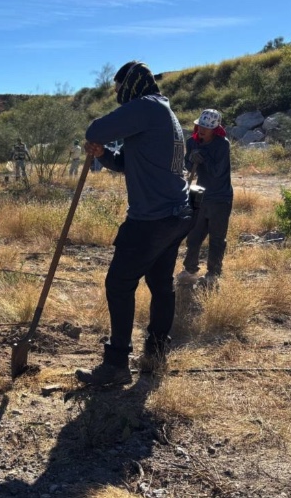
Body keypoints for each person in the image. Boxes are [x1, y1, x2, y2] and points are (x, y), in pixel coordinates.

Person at [76, 61, 195, 386]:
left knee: (119, 283)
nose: (118, 96)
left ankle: (116, 365)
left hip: (152, 218)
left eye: (119, 90)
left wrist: (96, 140)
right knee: (160, 284)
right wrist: (102, 154)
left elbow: (94, 130)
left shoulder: (146, 107)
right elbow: (124, 162)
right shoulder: (162, 113)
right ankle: (155, 354)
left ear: (131, 85)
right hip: (175, 214)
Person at [176, 109, 233, 287]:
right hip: (197, 191)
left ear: (214, 129)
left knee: (216, 237)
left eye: (207, 127)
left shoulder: (222, 145)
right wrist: (191, 158)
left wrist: (204, 158)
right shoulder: (192, 142)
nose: (202, 129)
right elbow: (186, 163)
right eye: (200, 125)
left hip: (220, 195)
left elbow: (217, 172)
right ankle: (190, 269)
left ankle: (213, 274)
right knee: (192, 233)